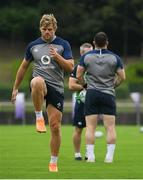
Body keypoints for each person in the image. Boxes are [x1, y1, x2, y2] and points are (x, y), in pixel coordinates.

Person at [11, 14, 74, 172]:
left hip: (56, 87)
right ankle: (39, 116)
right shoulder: (33, 46)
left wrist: (58, 57)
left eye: (50, 29)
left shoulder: (63, 44)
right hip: (40, 85)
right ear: (40, 28)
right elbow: (23, 67)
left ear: (55, 29)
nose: (47, 32)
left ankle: (53, 162)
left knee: (55, 127)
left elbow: (70, 68)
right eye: (44, 29)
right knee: (36, 81)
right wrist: (15, 88)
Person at [77, 32, 126, 163]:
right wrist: (113, 85)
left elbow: (78, 75)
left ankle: (91, 157)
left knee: (90, 127)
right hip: (108, 94)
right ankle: (109, 157)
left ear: (94, 42)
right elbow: (122, 76)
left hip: (92, 93)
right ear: (107, 43)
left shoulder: (86, 57)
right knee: (110, 127)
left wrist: (85, 85)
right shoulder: (115, 58)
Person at [69, 43, 93, 161]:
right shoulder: (77, 67)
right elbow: (71, 85)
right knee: (78, 129)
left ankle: (89, 154)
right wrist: (86, 87)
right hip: (81, 101)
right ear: (81, 54)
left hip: (94, 102)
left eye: (91, 52)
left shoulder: (96, 67)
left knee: (91, 128)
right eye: (87, 53)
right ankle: (77, 154)